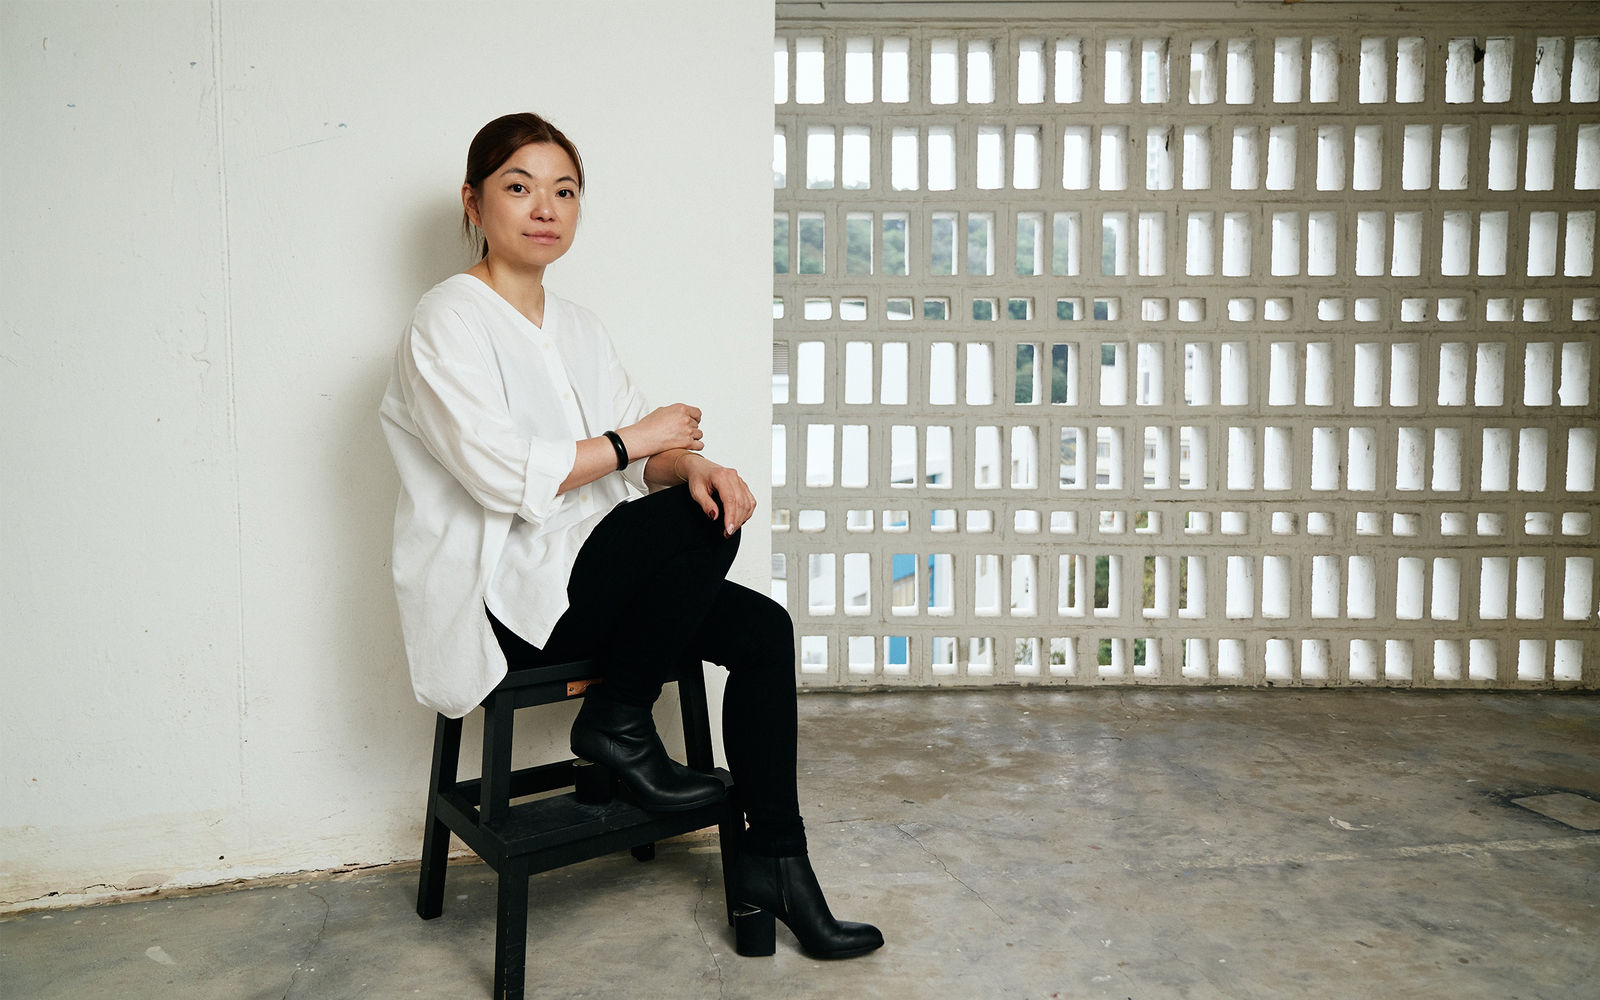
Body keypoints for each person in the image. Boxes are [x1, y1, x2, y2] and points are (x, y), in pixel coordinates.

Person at [378, 112, 882, 960]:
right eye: (519, 187)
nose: (546, 208)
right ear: (473, 201)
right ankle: (617, 719)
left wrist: (694, 466)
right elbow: (504, 474)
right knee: (689, 520)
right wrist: (638, 441)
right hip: (504, 597)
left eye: (565, 191)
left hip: (593, 579)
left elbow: (639, 463)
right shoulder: (446, 320)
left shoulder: (579, 325)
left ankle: (777, 868)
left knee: (762, 624)